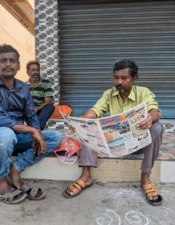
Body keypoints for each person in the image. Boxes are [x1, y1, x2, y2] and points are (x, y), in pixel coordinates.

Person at [63, 59, 164, 206]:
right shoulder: (109, 94)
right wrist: (81, 121)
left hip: (137, 144)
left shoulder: (144, 92)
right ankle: (86, 176)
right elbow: (95, 111)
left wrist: (150, 118)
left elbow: (155, 110)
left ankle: (145, 177)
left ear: (134, 78)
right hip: (115, 144)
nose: (119, 82)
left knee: (157, 127)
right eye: (116, 77)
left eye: (124, 78)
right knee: (88, 126)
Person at [0, 44, 62, 204]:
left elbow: (31, 115)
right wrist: (31, 130)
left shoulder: (24, 88)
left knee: (54, 137)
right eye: (3, 61)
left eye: (12, 60)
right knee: (5, 133)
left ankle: (16, 168)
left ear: (18, 65)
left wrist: (36, 131)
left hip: (17, 138)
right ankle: (0, 182)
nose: (8, 64)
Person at [26, 61, 55, 130]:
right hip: (29, 111)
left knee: (50, 106)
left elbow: (48, 101)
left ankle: (36, 128)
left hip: (40, 111)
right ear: (28, 72)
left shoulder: (46, 83)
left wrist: (37, 108)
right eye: (33, 70)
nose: (36, 72)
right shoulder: (24, 86)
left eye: (37, 70)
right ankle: (36, 129)